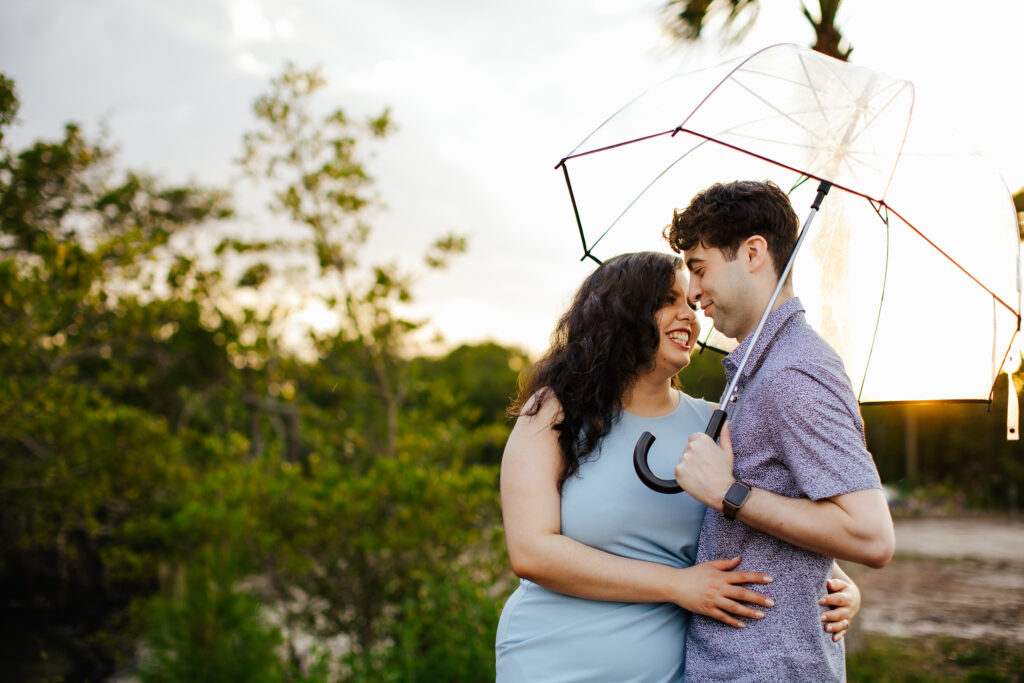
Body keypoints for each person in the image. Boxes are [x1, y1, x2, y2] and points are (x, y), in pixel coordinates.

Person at [495, 251, 861, 682]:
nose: (690, 314)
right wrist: (677, 584)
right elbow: (532, 552)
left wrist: (836, 580)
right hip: (550, 661)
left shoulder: (718, 423)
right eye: (669, 301)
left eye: (691, 302)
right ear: (622, 312)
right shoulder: (554, 411)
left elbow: (762, 523)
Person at [666, 180, 895, 681]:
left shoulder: (794, 372)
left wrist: (728, 493)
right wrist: (826, 572)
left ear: (752, 253)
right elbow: (802, 515)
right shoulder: (760, 368)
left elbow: (871, 534)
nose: (693, 291)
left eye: (700, 269)